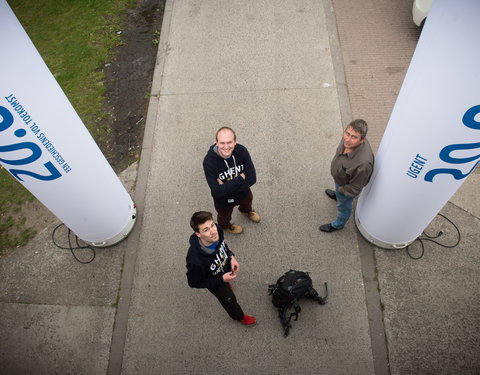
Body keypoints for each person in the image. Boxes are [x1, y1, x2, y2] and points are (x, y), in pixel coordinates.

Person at [186, 211, 257, 326]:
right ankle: (239, 317)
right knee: (230, 301)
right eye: (206, 230)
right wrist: (221, 280)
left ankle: (226, 283)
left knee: (227, 287)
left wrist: (231, 256)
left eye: (212, 225)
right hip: (216, 283)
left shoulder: (217, 231)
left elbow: (223, 246)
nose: (213, 231)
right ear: (198, 234)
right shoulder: (195, 261)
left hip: (225, 269)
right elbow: (194, 282)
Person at [203, 126, 260, 234]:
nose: (226, 147)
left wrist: (225, 187)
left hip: (243, 193)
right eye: (222, 143)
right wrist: (241, 178)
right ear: (216, 143)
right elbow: (216, 192)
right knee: (224, 216)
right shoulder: (209, 162)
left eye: (229, 142)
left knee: (247, 203)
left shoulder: (241, 151)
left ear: (235, 142)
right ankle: (226, 226)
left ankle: (246, 211)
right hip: (223, 201)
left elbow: (252, 178)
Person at [320, 119, 374, 232]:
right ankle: (337, 195)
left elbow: (355, 188)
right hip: (340, 179)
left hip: (345, 188)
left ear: (362, 140)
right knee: (339, 196)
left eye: (354, 137)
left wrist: (341, 189)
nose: (347, 139)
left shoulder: (363, 164)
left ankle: (338, 225)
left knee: (343, 206)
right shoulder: (348, 140)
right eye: (347, 133)